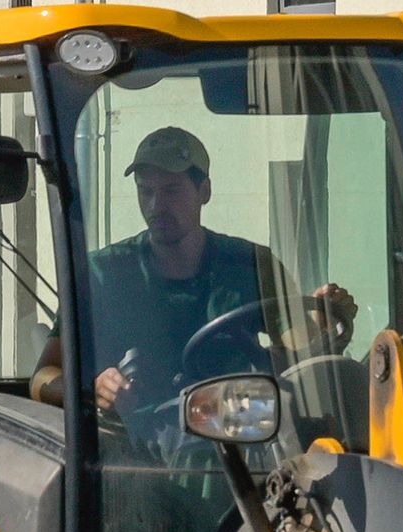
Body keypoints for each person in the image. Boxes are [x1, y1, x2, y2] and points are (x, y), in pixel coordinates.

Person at [71, 133, 274, 443]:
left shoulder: (250, 265)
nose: (156, 205)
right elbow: (46, 376)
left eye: (171, 191)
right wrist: (94, 386)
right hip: (133, 459)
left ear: (204, 191)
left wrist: (324, 318)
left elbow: (300, 342)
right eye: (146, 191)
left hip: (240, 442)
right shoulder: (104, 272)